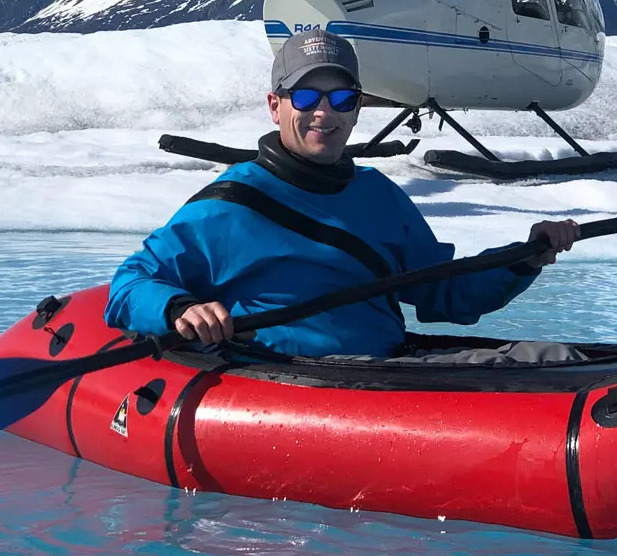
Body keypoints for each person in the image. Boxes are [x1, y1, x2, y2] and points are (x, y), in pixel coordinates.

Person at [104, 30, 580, 359]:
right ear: (275, 106)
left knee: (560, 357)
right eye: (307, 97)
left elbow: (447, 292)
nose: (323, 113)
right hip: (285, 379)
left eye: (342, 98)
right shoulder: (225, 207)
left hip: (383, 371)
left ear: (356, 110)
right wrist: (178, 308)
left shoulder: (379, 196)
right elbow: (129, 286)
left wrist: (524, 256)